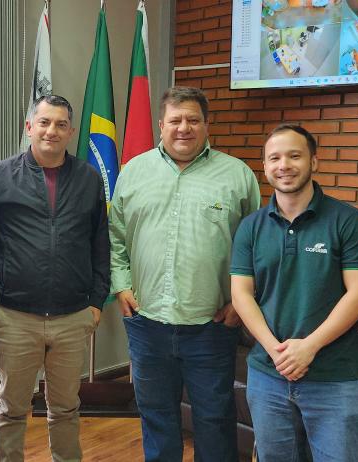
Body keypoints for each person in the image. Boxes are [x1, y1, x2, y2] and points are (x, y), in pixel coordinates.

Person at [109, 86, 261, 461]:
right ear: (161, 125)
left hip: (211, 326)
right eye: (175, 120)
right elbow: (115, 236)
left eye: (193, 120)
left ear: (207, 124)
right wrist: (121, 285)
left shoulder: (238, 176)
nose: (184, 128)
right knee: (156, 418)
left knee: (214, 419)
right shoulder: (133, 172)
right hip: (147, 323)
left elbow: (256, 246)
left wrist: (240, 303)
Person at [0, 95, 109, 461]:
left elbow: (100, 243)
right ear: (29, 127)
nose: (52, 131)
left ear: (71, 132)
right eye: (44, 122)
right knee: (11, 409)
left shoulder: (89, 179)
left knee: (66, 409)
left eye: (61, 124)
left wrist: (97, 301)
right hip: (15, 317)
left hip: (73, 316)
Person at [229, 124, 358, 462]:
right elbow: (241, 295)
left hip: (332, 378)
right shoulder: (251, 227)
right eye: (275, 158)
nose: (284, 165)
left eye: (294, 156)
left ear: (314, 161)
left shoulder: (349, 222)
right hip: (267, 375)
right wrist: (276, 351)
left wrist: (309, 347)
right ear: (265, 167)